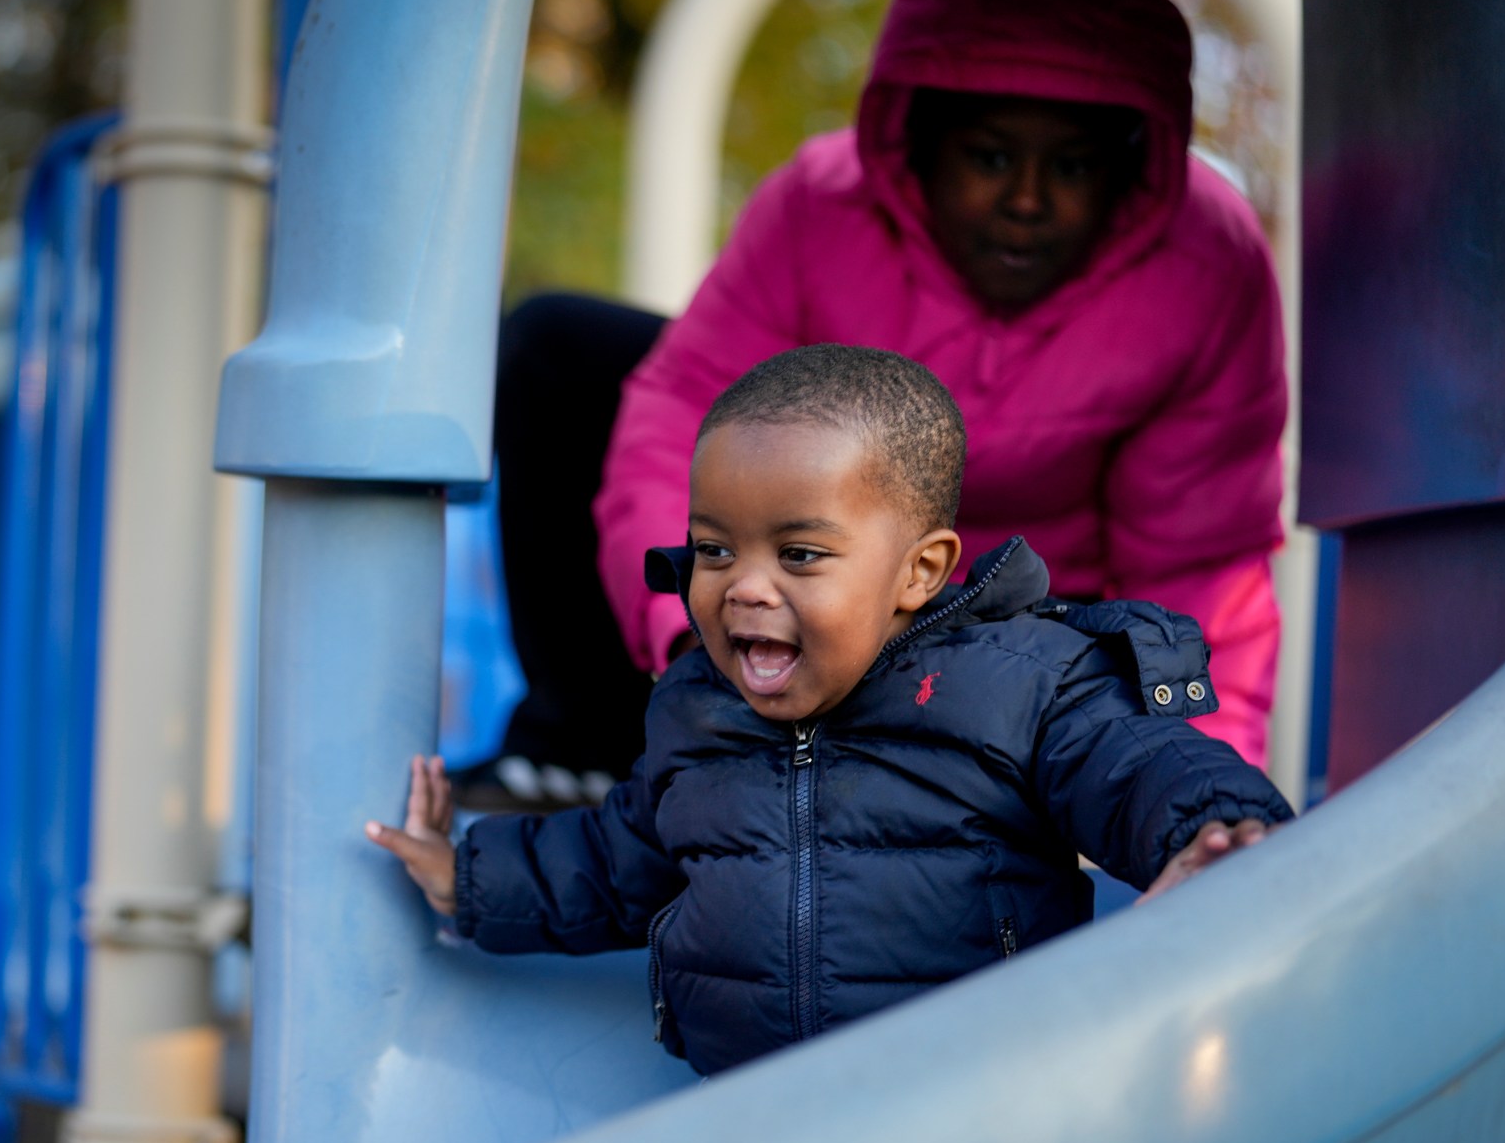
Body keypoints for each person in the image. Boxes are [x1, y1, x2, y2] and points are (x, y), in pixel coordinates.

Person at [373, 346, 1290, 1077]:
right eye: (713, 550)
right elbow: (617, 863)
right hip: (759, 1126)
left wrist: (1213, 827)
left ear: (919, 571)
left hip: (981, 1100)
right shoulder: (699, 712)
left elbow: (1134, 761)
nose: (745, 588)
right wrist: (467, 877)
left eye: (800, 555)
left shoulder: (1019, 683)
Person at [471, 0, 1284, 809]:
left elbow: (1200, 565)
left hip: (1017, 651)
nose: (1028, 200)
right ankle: (588, 756)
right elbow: (680, 418)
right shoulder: (816, 209)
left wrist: (1193, 797)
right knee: (560, 350)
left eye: (1071, 166)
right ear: (920, 144)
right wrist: (699, 633)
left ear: (1128, 167)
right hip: (802, 593)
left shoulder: (1204, 269)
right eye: (991, 158)